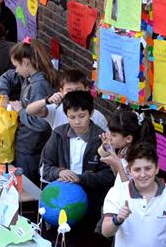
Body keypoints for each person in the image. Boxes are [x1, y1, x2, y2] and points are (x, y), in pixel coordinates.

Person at [40, 89, 116, 222]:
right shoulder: (58, 135)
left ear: (91, 113)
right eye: (72, 117)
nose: (77, 122)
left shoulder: (101, 139)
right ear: (66, 115)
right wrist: (59, 172)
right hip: (60, 205)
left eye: (82, 116)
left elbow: (109, 177)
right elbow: (44, 168)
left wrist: (81, 179)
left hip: (91, 208)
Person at [0, 39, 56, 180]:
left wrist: (20, 111)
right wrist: (4, 94)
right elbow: (7, 76)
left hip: (31, 147)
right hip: (25, 143)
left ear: (25, 62)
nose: (16, 71)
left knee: (25, 185)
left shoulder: (39, 86)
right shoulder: (29, 77)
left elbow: (41, 123)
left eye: (17, 66)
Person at [26, 68, 108, 131]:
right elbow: (30, 110)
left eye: (78, 90)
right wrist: (47, 101)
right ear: (61, 91)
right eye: (69, 91)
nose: (74, 94)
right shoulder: (56, 109)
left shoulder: (98, 117)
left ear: (86, 89)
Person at [99, 107, 154, 182]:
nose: (110, 138)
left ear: (128, 139)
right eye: (110, 133)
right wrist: (110, 152)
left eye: (114, 135)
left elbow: (131, 189)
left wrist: (118, 165)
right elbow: (116, 175)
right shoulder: (123, 150)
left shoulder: (139, 158)